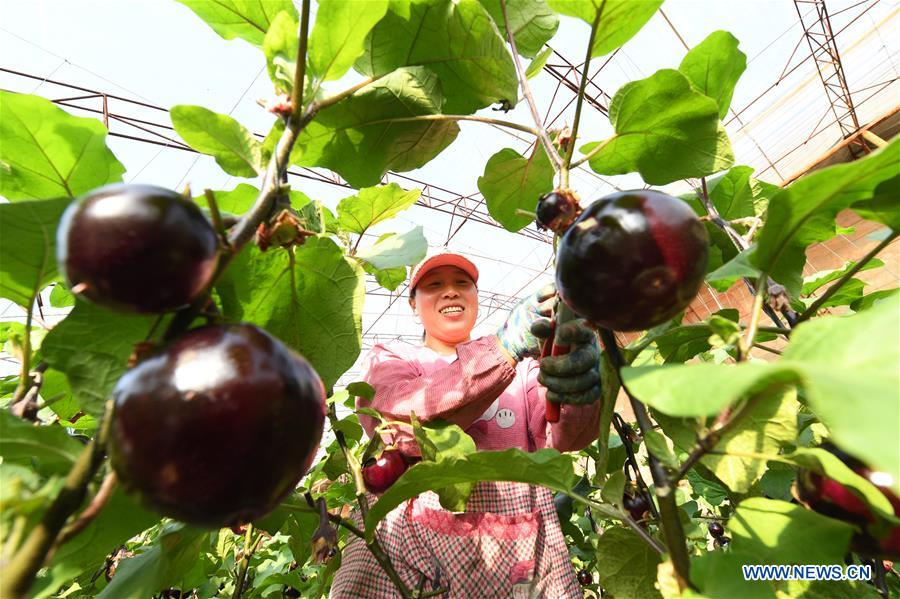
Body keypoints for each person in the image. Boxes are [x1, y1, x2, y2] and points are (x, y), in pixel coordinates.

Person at [330, 250, 603, 598]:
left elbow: (564, 435)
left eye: (463, 284)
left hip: (512, 548)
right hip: (406, 543)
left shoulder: (522, 371)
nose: (451, 291)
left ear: (476, 297)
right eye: (434, 285)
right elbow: (398, 421)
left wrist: (579, 387)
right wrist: (501, 352)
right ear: (414, 304)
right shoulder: (394, 357)